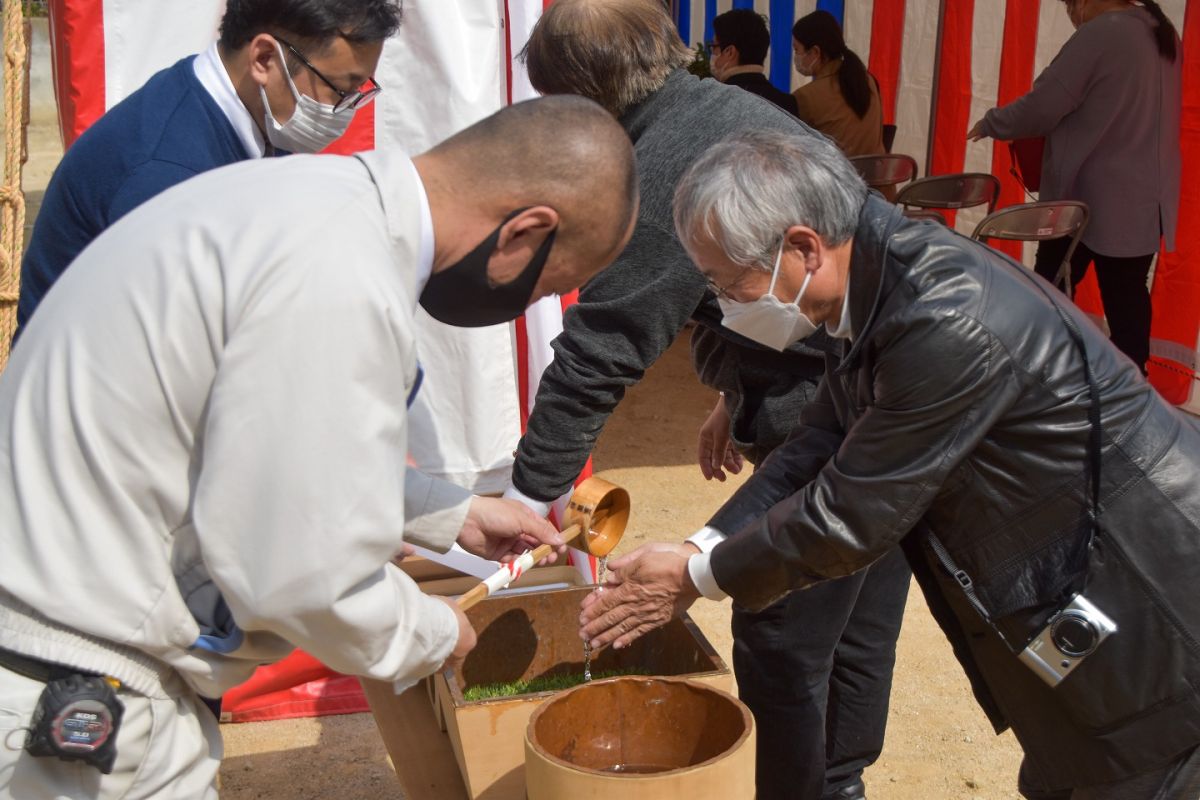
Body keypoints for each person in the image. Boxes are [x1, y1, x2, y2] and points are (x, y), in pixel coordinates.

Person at [0, 95, 638, 799]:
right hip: (82, 686)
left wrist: (447, 513)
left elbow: (262, 444)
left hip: (70, 638)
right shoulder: (340, 279)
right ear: (523, 233)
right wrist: (429, 632)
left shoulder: (305, 203)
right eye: (544, 285)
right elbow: (300, 572)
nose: (523, 305)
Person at [580, 129, 1200, 800]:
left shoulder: (942, 317)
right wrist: (699, 544)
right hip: (1087, 585)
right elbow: (817, 449)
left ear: (802, 248)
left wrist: (697, 578)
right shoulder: (871, 285)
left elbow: (852, 512)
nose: (728, 306)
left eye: (731, 284)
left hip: (1153, 598)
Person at [514, 3, 909, 799]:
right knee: (862, 614)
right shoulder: (731, 111)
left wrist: (528, 493)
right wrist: (735, 391)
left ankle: (809, 788)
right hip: (882, 391)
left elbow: (605, 343)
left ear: (584, 102)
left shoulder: (665, 165)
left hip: (832, 412)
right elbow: (753, 295)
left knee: (785, 632)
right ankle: (843, 780)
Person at [15, 0, 400, 339]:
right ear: (265, 59)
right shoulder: (166, 176)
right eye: (340, 89)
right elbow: (169, 356)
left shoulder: (251, 115)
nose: (345, 109)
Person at [968, 0, 1181, 376]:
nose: (1072, 14)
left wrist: (992, 122)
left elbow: (1045, 104)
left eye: (1071, 4)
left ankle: (1038, 380)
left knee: (1047, 296)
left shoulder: (1103, 33)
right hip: (1147, 201)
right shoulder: (1161, 32)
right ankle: (1132, 396)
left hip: (1090, 200)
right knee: (1128, 303)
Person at [790, 10, 884, 158]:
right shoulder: (867, 80)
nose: (796, 57)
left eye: (796, 50)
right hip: (875, 179)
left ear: (815, 52)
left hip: (836, 179)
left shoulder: (805, 96)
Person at [708, 9, 798, 116]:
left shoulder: (713, 101)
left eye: (714, 47)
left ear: (729, 52)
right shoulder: (787, 103)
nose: (712, 53)